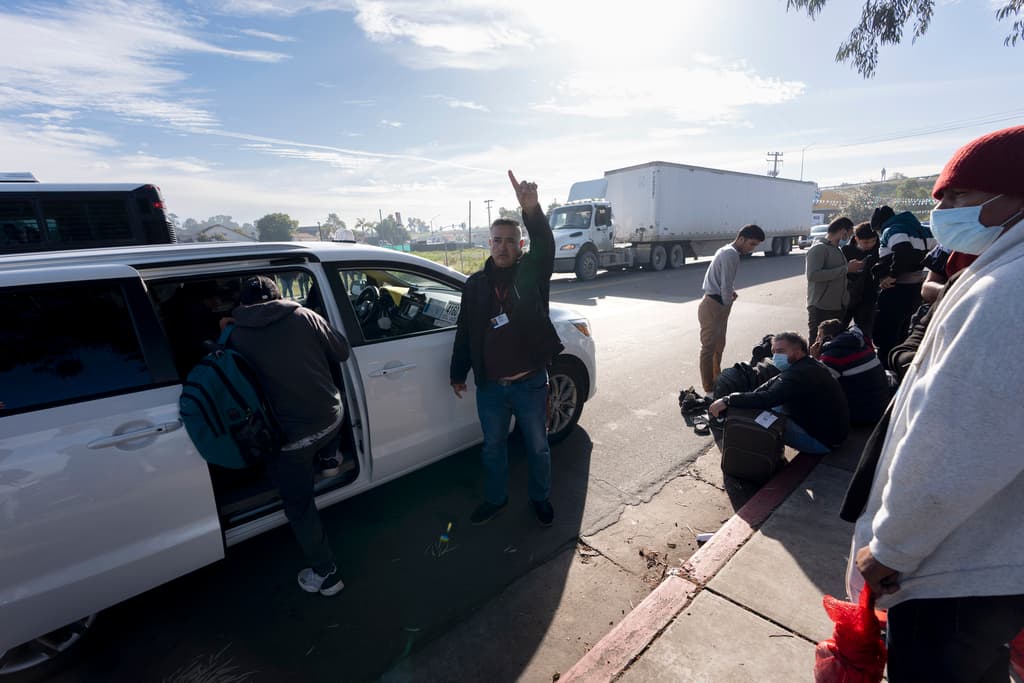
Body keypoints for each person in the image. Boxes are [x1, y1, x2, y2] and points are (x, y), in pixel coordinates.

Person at [848, 125, 1024, 680]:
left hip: (952, 573)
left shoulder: (1007, 292)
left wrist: (892, 547)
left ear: (1011, 197)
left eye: (959, 197)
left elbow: (961, 441)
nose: (942, 210)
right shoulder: (996, 272)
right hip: (984, 562)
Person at [450, 171, 564, 527]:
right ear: (489, 244)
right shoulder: (476, 285)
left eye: (510, 241)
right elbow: (465, 332)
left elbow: (545, 246)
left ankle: (540, 497)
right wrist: (458, 371)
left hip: (530, 383)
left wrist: (532, 211)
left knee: (538, 448)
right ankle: (496, 499)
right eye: (497, 240)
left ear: (520, 246)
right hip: (491, 388)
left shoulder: (530, 272)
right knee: (492, 449)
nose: (503, 246)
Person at [228, 275, 351, 596]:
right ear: (279, 295)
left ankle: (326, 574)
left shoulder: (235, 335)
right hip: (331, 419)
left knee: (299, 506)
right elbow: (342, 352)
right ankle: (329, 459)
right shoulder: (305, 316)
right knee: (334, 407)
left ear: (242, 305)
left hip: (289, 440)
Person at [708, 331, 849, 454]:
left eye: (780, 351)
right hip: (833, 435)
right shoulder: (809, 364)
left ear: (798, 351)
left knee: (757, 418)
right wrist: (744, 397)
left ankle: (754, 456)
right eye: (773, 351)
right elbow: (772, 384)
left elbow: (768, 398)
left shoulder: (798, 374)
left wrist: (728, 400)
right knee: (765, 407)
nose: (775, 356)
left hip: (821, 443)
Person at [697, 224, 765, 394]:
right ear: (741, 238)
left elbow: (722, 281)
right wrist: (727, 301)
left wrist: (728, 296)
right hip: (714, 305)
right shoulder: (731, 254)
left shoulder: (727, 251)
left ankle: (716, 381)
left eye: (755, 245)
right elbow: (726, 283)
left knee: (718, 346)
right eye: (752, 244)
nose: (752, 249)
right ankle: (709, 390)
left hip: (716, 302)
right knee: (709, 348)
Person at [871, 209, 935, 369]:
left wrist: (891, 275)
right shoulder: (923, 230)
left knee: (886, 333)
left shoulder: (892, 229)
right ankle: (898, 368)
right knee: (904, 331)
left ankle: (886, 370)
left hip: (897, 289)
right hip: (916, 288)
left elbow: (903, 252)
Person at [810, 319, 888, 425]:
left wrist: (814, 359)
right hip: (880, 408)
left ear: (828, 338)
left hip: (861, 416)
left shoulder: (833, 357)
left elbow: (816, 383)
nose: (816, 339)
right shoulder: (861, 345)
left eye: (819, 336)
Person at [806, 217, 864, 342]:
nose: (850, 237)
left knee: (833, 344)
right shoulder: (819, 248)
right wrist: (846, 269)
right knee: (818, 343)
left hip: (838, 305)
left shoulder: (836, 249)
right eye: (849, 233)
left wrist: (850, 267)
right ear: (843, 231)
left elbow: (839, 271)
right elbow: (813, 275)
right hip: (822, 306)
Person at [841, 223, 881, 339]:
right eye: (866, 242)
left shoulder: (880, 250)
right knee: (838, 330)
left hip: (869, 298)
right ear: (856, 238)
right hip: (847, 298)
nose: (870, 245)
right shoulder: (846, 251)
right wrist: (849, 268)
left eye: (873, 241)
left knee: (865, 333)